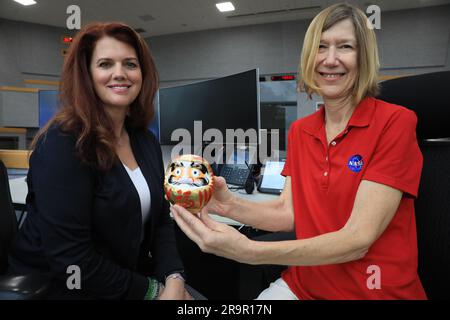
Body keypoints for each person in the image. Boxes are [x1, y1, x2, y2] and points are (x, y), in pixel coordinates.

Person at [171, 3, 427, 300]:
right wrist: (228, 205)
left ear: (364, 57)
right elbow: (288, 212)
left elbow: (359, 239)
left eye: (345, 46)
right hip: (304, 284)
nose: (330, 60)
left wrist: (251, 252)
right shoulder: (301, 130)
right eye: (321, 47)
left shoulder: (394, 122)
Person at [8, 22, 193, 300]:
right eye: (105, 64)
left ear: (142, 73)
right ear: (87, 75)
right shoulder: (63, 144)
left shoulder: (144, 141)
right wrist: (155, 292)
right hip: (65, 286)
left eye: (130, 64)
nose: (120, 74)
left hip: (123, 276)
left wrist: (175, 278)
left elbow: (161, 222)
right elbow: (72, 259)